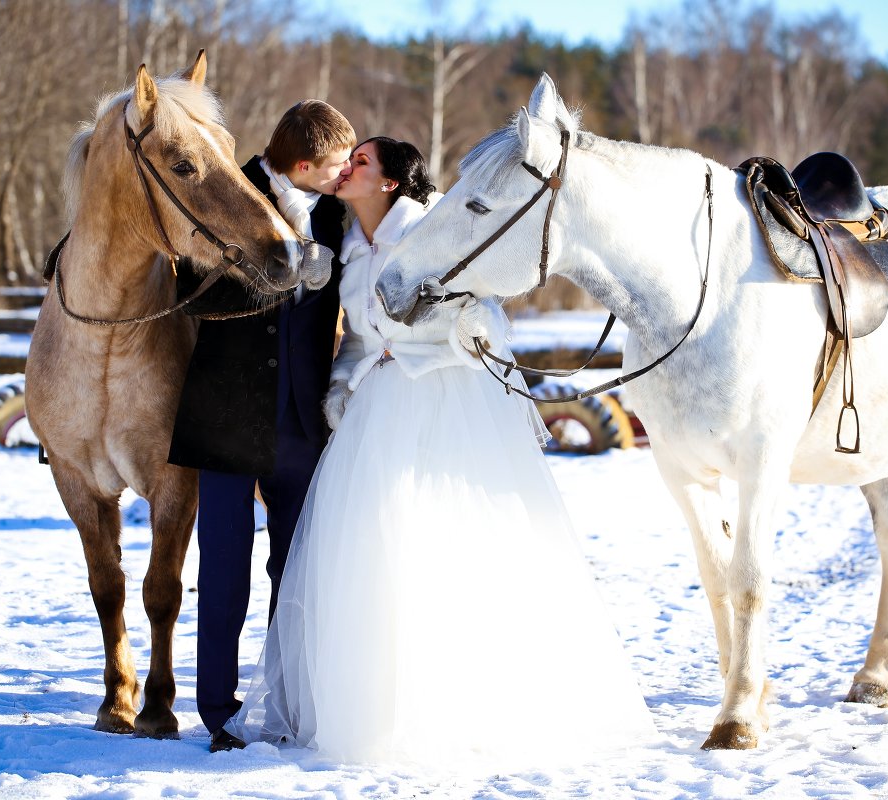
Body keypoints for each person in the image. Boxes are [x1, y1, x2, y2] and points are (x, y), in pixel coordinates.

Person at [223, 137, 654, 771]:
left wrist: (414, 352)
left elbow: (482, 323)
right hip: (372, 407)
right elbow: (354, 339)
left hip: (440, 403)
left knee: (437, 544)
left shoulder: (432, 229)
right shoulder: (345, 244)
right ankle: (370, 702)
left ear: (392, 183)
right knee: (370, 552)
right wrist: (342, 391)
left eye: (361, 162)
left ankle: (462, 701)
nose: (347, 169)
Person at [167, 100, 355, 753]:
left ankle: (288, 702)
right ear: (302, 164)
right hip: (226, 417)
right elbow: (188, 292)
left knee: (297, 571)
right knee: (224, 574)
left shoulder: (337, 213)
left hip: (305, 423)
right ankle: (220, 714)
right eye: (336, 166)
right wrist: (276, 277)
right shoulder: (227, 189)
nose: (345, 175)